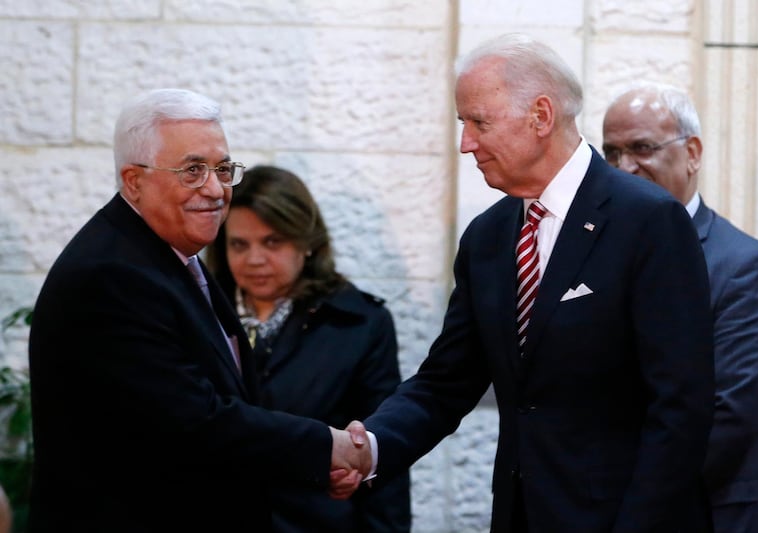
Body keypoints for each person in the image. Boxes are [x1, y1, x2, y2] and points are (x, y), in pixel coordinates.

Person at [340, 33, 716, 532]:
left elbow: (681, 409)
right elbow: (445, 383)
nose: (466, 143)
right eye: (462, 124)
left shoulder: (648, 221)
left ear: (541, 116)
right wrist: (370, 448)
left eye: (479, 122)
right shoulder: (488, 237)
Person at [27, 88, 370, 533]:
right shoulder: (113, 274)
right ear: (134, 181)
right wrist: (328, 447)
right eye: (192, 171)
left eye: (223, 169)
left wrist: (314, 464)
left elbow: (228, 403)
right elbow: (193, 421)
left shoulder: (170, 258)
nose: (214, 189)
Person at [602, 82, 758, 533]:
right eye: (610, 152)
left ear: (692, 153)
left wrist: (627, 502)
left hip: (707, 514)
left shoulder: (745, 265)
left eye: (642, 148)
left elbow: (730, 416)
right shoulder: (594, 257)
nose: (623, 167)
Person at [205, 164, 411, 532]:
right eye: (239, 244)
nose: (254, 259)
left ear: (307, 244)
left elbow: (381, 455)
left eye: (272, 242)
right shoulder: (199, 314)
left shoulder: (359, 323)